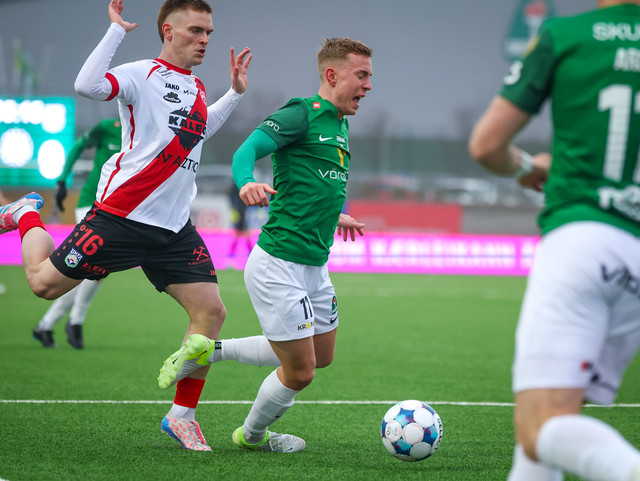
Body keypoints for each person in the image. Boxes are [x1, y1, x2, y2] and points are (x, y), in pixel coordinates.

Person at [0, 0, 251, 452]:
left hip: (173, 229)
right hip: (121, 218)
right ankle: (25, 214)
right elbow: (87, 85)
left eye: (209, 32)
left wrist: (233, 93)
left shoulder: (196, 86)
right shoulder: (141, 73)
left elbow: (199, 130)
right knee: (42, 285)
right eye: (195, 30)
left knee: (211, 314)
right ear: (168, 31)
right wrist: (116, 31)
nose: (205, 40)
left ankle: (182, 416)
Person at [157, 37, 372, 453]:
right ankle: (252, 436)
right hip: (279, 265)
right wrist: (246, 182)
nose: (367, 85)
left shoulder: (340, 124)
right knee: (301, 371)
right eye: (361, 75)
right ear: (332, 75)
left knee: (321, 355)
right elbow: (247, 150)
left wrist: (334, 216)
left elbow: (312, 186)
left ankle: (209, 351)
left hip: (315, 266)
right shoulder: (301, 113)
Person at [469, 2, 640, 480]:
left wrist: (527, 166)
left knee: (539, 426)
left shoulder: (567, 36)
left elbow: (487, 146)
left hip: (582, 241)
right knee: (553, 424)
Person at [33, 118, 122, 349]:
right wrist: (62, 180)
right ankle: (75, 322)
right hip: (90, 203)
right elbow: (78, 146)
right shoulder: (107, 127)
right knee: (96, 267)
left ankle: (45, 325)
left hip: (116, 209)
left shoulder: (146, 131)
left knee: (88, 270)